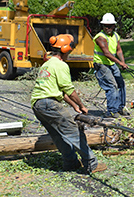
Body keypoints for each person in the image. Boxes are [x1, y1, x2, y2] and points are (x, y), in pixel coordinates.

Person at [31, 34, 107, 173]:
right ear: (65, 50)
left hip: (38, 105)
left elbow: (60, 90)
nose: (70, 54)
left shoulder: (46, 64)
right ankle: (91, 164)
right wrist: (83, 106)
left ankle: (71, 163)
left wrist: (74, 106)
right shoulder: (60, 65)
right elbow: (69, 90)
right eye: (69, 51)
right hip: (50, 103)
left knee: (58, 135)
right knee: (74, 133)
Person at [93, 13, 129, 118]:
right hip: (102, 65)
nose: (107, 28)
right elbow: (107, 53)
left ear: (114, 26)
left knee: (121, 84)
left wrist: (123, 62)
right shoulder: (100, 37)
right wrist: (120, 63)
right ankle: (112, 111)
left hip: (111, 63)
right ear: (102, 26)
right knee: (112, 86)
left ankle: (120, 108)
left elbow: (119, 50)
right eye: (105, 26)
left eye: (109, 26)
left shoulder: (116, 35)